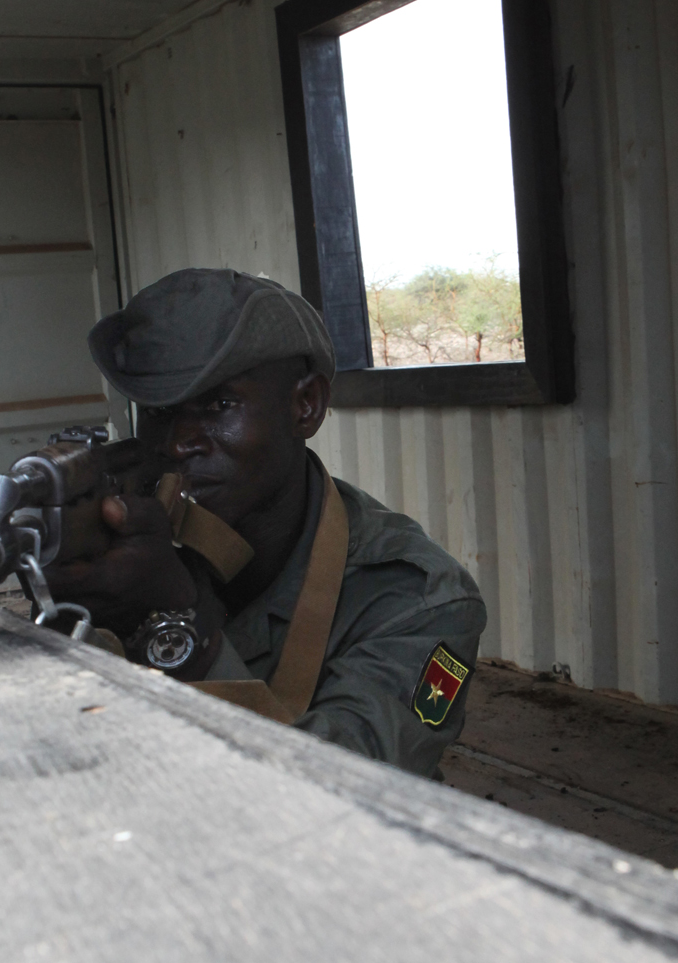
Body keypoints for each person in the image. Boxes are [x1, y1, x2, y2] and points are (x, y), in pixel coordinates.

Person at [46, 267, 486, 777]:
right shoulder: (134, 533)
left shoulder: (421, 600)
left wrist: (176, 625)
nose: (177, 442)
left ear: (306, 406)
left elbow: (342, 792)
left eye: (219, 404)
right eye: (160, 411)